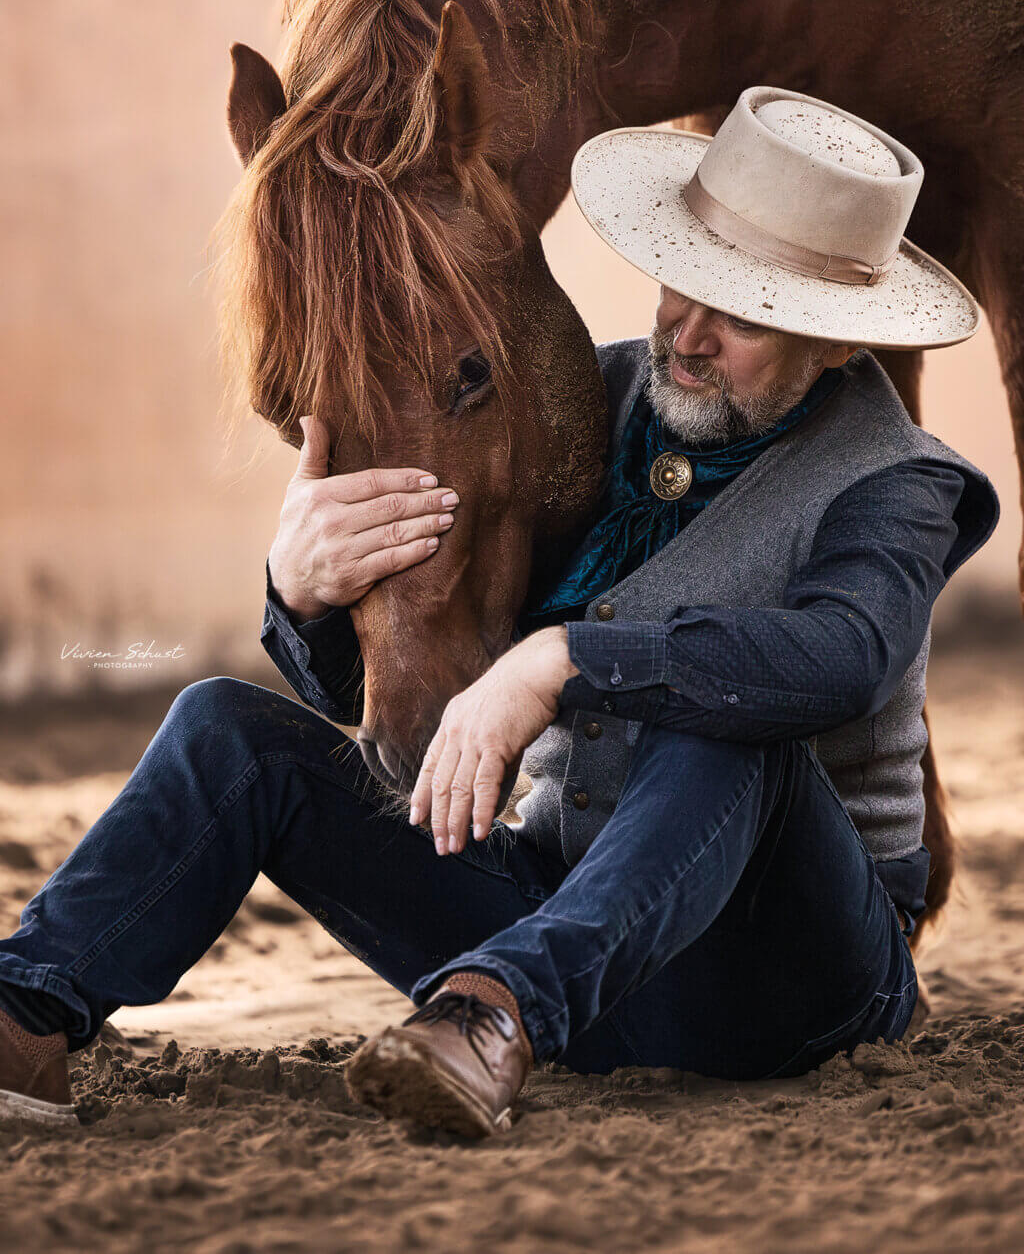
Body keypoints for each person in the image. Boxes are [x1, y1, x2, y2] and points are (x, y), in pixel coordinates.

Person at [0, 86, 998, 1138]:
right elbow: (371, 681)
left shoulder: (899, 480)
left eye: (741, 314)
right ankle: (25, 1010)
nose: (687, 335)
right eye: (680, 285)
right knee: (226, 727)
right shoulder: (593, 399)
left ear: (835, 342)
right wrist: (304, 589)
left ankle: (488, 1020)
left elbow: (842, 657)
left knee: (733, 716)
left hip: (783, 979)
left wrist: (560, 658)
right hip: (568, 931)